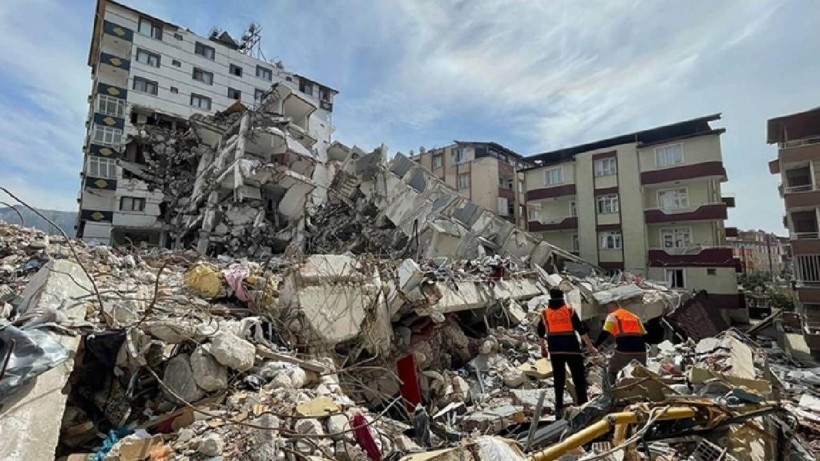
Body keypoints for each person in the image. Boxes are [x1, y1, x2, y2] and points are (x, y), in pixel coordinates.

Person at [537, 288, 598, 417]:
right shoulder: (569, 311)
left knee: (558, 379)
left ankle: (559, 407)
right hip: (572, 349)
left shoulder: (544, 313)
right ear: (562, 297)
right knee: (578, 378)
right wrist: (591, 347)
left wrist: (543, 349)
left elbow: (540, 333)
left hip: (555, 350)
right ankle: (583, 405)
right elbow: (581, 331)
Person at [595, 302, 647, 384]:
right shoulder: (635, 317)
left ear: (612, 307)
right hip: (641, 349)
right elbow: (643, 334)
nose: (608, 310)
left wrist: (596, 345)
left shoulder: (613, 315)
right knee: (641, 373)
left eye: (608, 308)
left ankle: (610, 391)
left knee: (613, 369)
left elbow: (605, 333)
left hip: (624, 349)